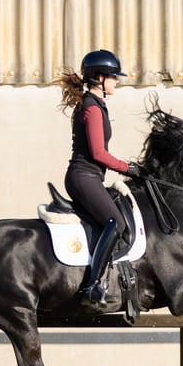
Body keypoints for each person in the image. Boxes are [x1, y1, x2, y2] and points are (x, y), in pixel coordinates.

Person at [54, 49, 144, 307]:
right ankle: (91, 286)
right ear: (99, 78)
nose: (117, 81)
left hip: (88, 177)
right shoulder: (92, 109)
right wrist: (127, 168)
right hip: (84, 177)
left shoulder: (94, 105)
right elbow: (98, 152)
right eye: (113, 77)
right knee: (115, 222)